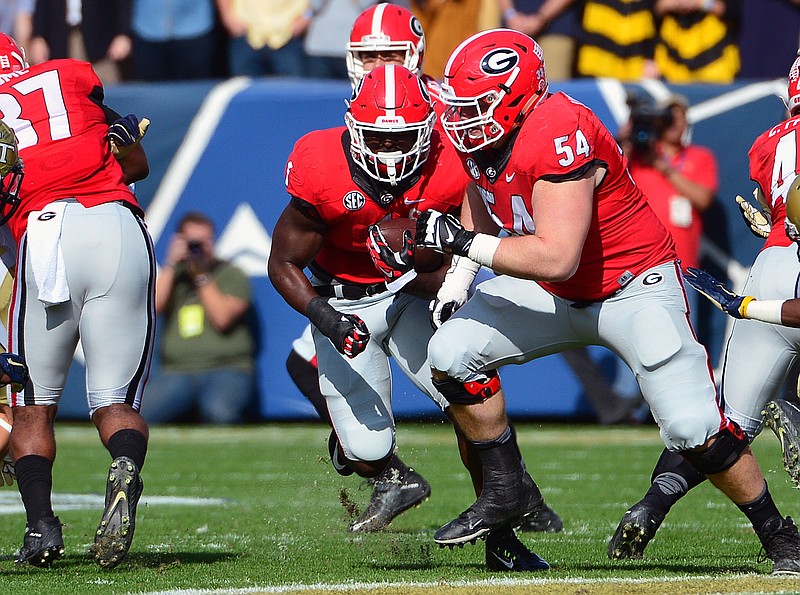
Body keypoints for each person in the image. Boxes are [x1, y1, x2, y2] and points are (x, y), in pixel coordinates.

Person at [415, 28, 800, 573]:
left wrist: (456, 241)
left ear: (519, 94)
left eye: (477, 105)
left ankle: (777, 533)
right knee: (450, 355)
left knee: (694, 429)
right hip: (554, 291)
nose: (463, 119)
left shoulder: (558, 127)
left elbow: (556, 257)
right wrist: (458, 282)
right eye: (460, 106)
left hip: (630, 286)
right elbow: (484, 203)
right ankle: (507, 492)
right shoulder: (486, 138)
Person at [287, 2, 564, 534]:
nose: (377, 66)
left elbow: (479, 199)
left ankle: (512, 493)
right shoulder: (345, 129)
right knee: (306, 369)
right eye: (367, 56)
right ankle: (380, 465)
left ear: (414, 53)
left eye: (389, 54)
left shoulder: (452, 112)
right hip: (352, 278)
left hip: (424, 270)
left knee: (465, 385)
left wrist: (450, 269)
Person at [607, 57, 800, 564]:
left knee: (723, 425)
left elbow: (781, 200)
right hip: (784, 285)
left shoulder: (767, 143)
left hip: (774, 264)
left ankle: (652, 505)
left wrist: (754, 297)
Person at [0, 33, 155, 569]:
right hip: (117, 224)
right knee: (115, 399)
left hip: (45, 234)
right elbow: (137, 163)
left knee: (32, 402)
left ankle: (42, 526)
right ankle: (125, 468)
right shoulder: (69, 86)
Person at [144, 211, 257, 425]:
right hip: (177, 371)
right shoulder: (173, 277)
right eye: (192, 243)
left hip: (226, 369)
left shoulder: (231, 274)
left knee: (220, 414)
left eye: (205, 241)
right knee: (140, 418)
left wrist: (201, 276)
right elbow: (152, 310)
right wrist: (170, 265)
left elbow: (222, 318)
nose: (199, 249)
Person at [621, 92, 718, 329]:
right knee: (635, 341)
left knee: (683, 342)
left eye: (680, 116)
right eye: (668, 116)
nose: (674, 122)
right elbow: (614, 172)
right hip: (638, 268)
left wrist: (665, 169)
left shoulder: (700, 156)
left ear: (687, 122)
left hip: (682, 268)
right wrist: (628, 134)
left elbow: (703, 199)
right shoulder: (639, 154)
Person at [216, 0, 310, 77]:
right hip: (246, 32)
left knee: (291, 94)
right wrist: (227, 16)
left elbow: (315, 4)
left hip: (288, 35)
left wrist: (305, 18)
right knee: (245, 93)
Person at [654, 0, 740, 83]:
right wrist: (676, 2)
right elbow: (654, 9)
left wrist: (698, 3)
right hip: (672, 62)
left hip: (714, 62)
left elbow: (729, 11)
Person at [497, 0, 580, 80]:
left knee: (553, 84)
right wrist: (511, 15)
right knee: (507, 83)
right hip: (512, 31)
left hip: (555, 29)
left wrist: (541, 17)